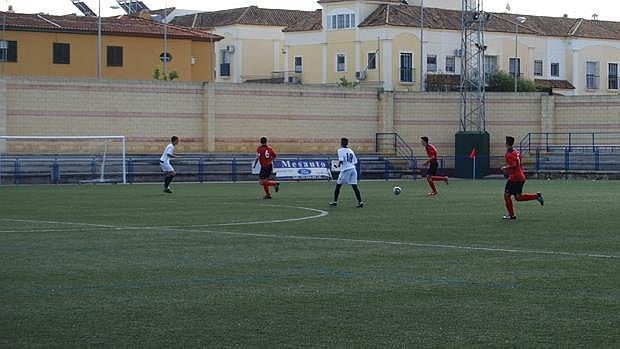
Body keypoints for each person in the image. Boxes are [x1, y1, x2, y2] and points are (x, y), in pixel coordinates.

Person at [501, 136, 544, 220]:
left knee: (507, 195)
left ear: (506, 144)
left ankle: (511, 215)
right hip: (520, 176)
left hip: (515, 178)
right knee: (518, 197)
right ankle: (536, 196)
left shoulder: (509, 154)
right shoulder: (516, 151)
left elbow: (513, 165)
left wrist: (505, 168)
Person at [329, 137, 363, 208]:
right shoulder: (350, 150)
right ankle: (360, 202)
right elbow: (355, 161)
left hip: (346, 170)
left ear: (341, 143)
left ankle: (335, 202)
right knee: (354, 186)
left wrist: (337, 165)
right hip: (353, 169)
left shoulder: (340, 150)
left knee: (338, 186)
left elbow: (341, 160)